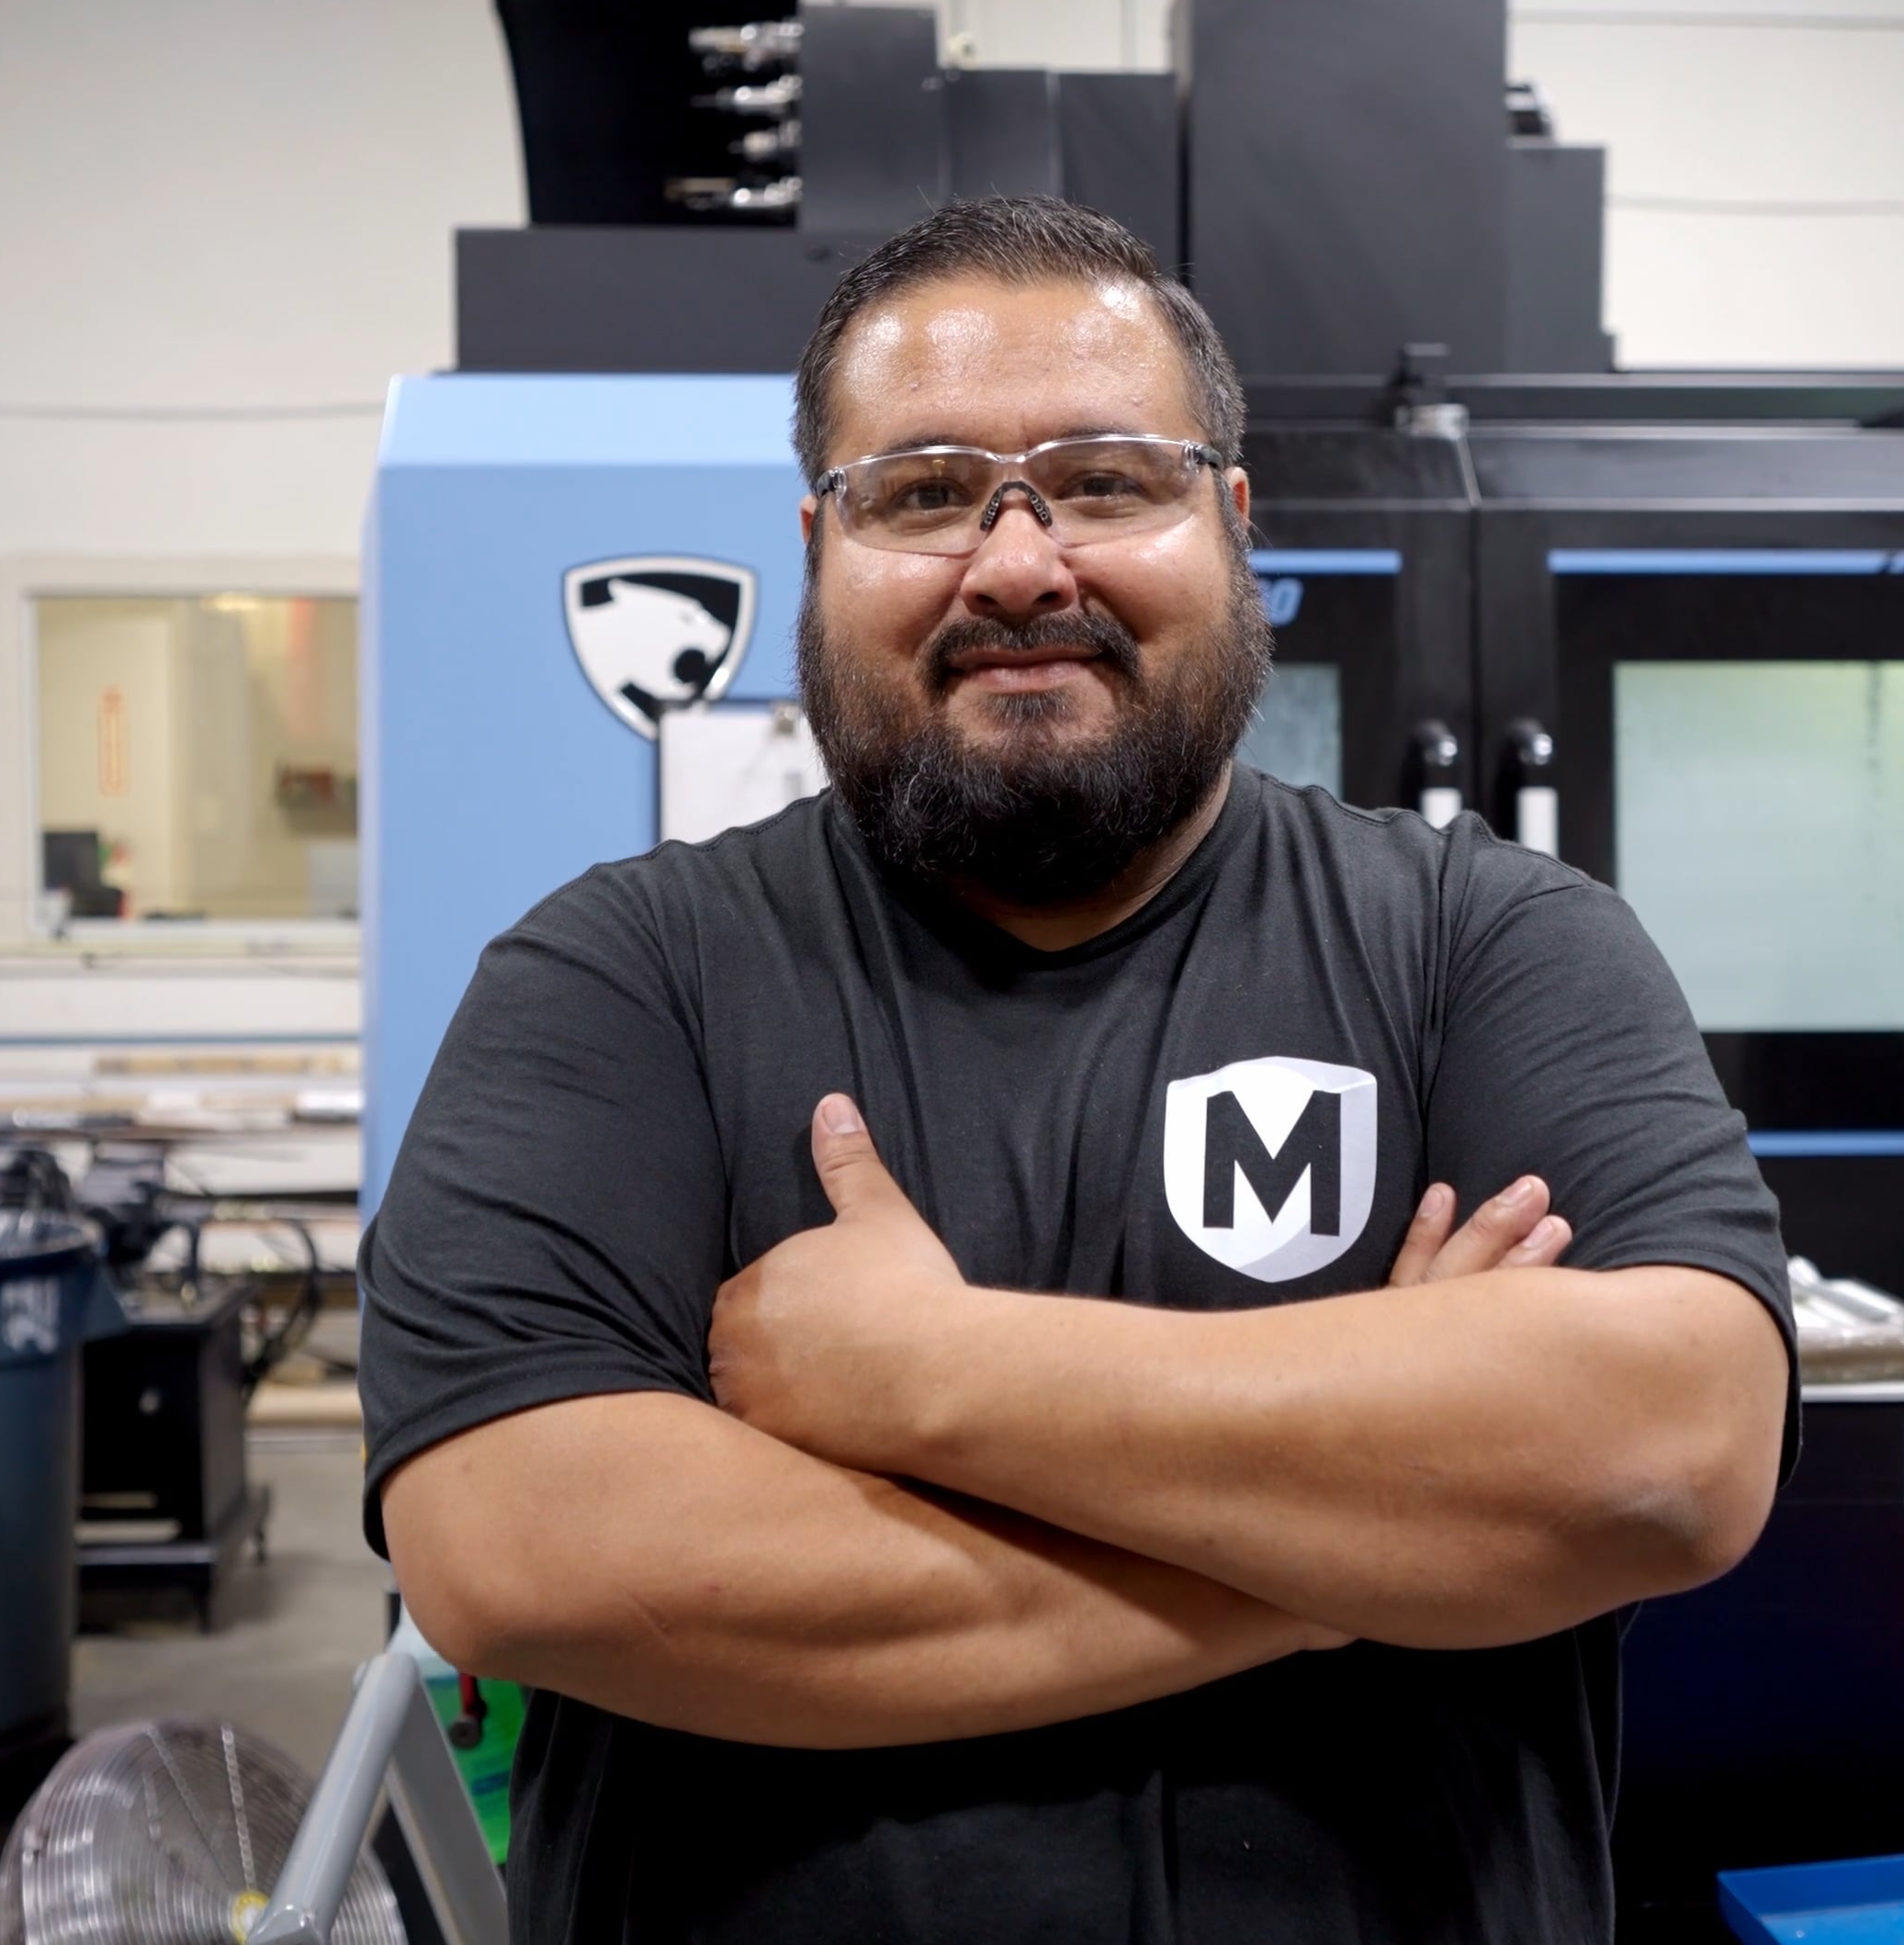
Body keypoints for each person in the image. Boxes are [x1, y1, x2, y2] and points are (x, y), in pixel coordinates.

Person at [361, 196, 1796, 1944]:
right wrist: (1354, 1559)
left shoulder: (1483, 946)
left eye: (1108, 481)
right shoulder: (621, 981)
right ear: (818, 545)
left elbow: (1676, 1446)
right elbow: (519, 1551)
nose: (1021, 565)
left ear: (1235, 527)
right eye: (925, 492)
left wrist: (931, 1373)